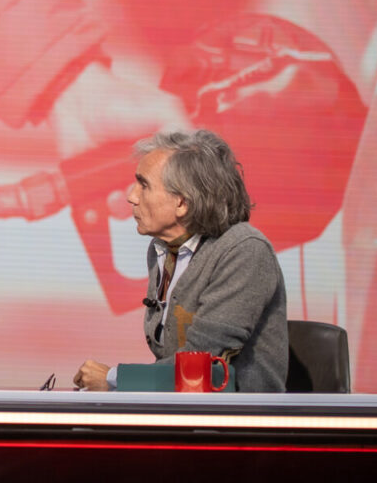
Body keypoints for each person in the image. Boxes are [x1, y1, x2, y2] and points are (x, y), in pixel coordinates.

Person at [73, 130, 288, 392]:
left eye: (144, 185)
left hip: (239, 424)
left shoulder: (245, 251)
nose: (132, 196)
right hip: (184, 414)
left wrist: (114, 379)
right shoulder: (161, 249)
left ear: (182, 203)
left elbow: (202, 361)